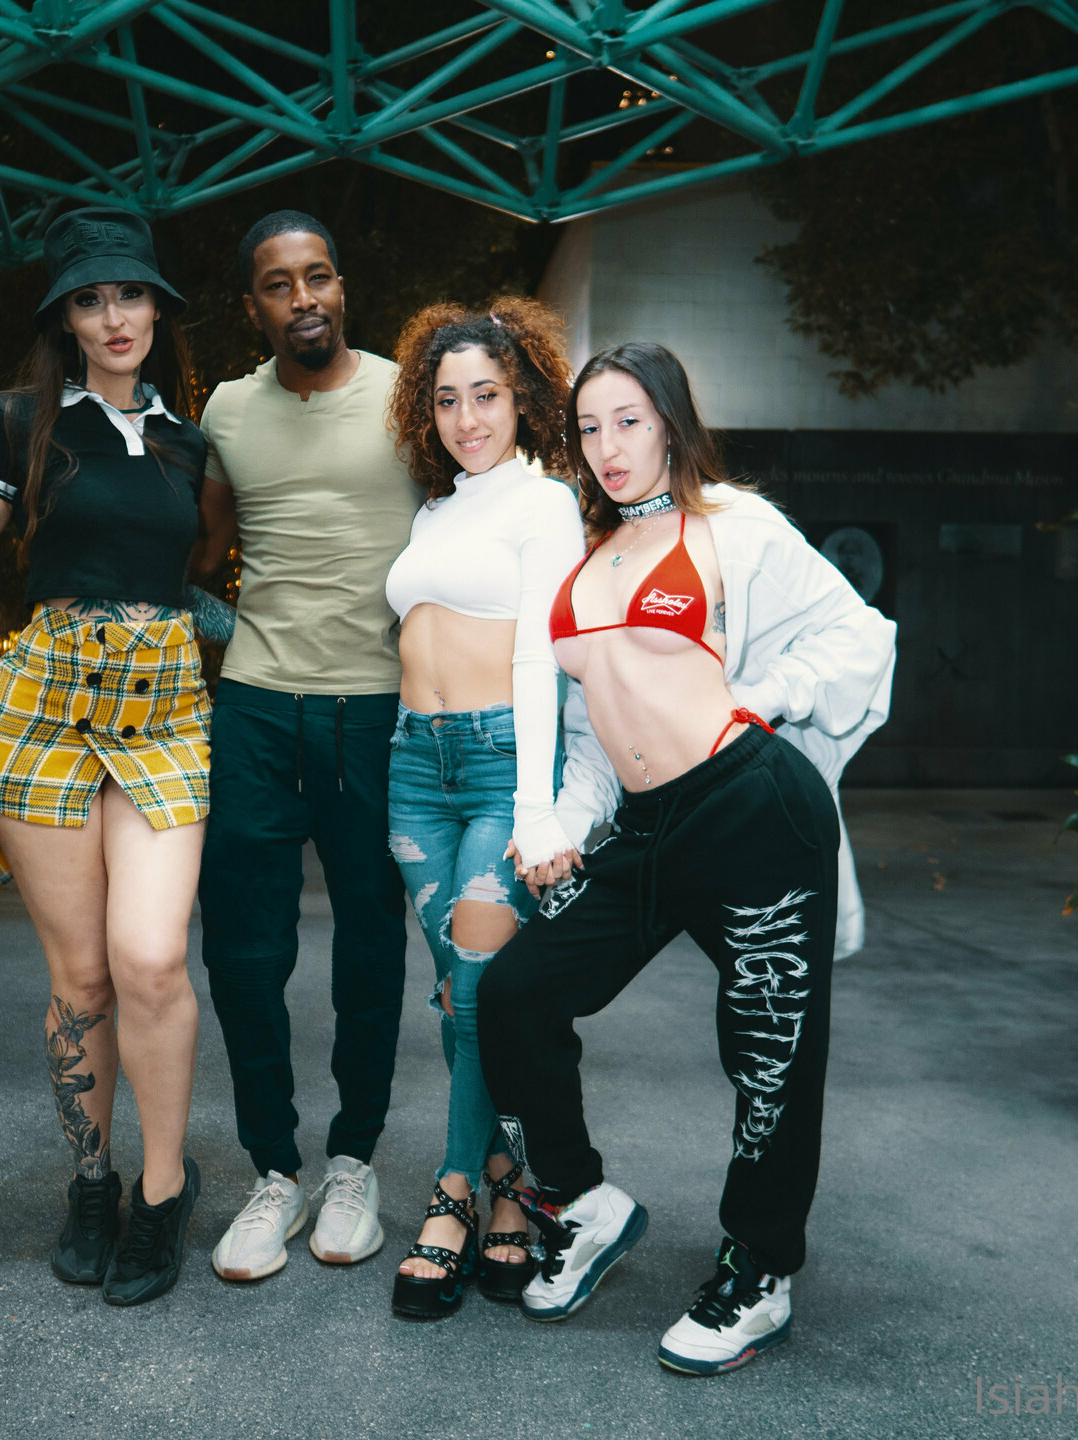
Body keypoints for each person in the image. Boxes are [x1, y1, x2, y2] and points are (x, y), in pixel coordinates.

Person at [477, 343, 896, 1371]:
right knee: (517, 993)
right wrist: (562, 826)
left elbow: (857, 636)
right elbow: (593, 733)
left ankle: (759, 1271)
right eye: (589, 428)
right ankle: (582, 1204)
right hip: (646, 825)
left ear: (670, 422)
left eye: (629, 420)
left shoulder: (734, 526)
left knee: (768, 1053)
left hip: (752, 808)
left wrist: (762, 699)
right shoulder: (590, 557)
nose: (608, 446)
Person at [0, 209, 232, 1307]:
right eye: (89, 298)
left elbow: (202, 579)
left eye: (130, 294)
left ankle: (164, 1194)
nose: (114, 316)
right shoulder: (14, 424)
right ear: (64, 318)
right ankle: (93, 1182)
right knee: (80, 976)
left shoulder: (192, 443)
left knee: (150, 959)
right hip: (41, 709)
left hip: (163, 713)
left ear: (158, 307)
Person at [380, 298, 618, 1317]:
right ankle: (511, 1187)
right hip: (413, 768)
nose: (466, 418)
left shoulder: (544, 501)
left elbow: (539, 659)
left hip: (496, 766)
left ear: (522, 398)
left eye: (485, 395)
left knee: (478, 986)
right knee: (455, 992)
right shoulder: (435, 511)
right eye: (446, 400)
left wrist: (534, 810)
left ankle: (451, 1195)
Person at [193, 211, 418, 1283]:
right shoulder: (228, 410)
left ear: (341, 285)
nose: (304, 298)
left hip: (377, 709)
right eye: (279, 285)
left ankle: (354, 1163)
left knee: (371, 942)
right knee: (244, 949)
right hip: (255, 707)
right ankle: (274, 1171)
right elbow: (202, 549)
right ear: (255, 306)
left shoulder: (410, 396)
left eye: (318, 275)